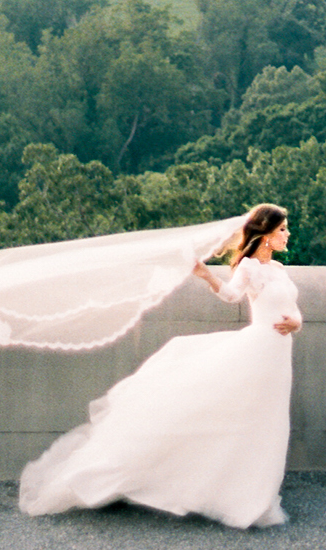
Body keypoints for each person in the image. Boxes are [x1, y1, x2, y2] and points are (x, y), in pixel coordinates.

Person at [15, 204, 300, 529]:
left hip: (277, 354)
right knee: (244, 419)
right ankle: (243, 498)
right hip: (258, 351)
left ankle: (254, 494)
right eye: (282, 229)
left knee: (268, 422)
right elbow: (234, 296)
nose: (287, 234)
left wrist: (296, 323)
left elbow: (293, 311)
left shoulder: (278, 269)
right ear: (265, 234)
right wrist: (207, 275)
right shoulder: (249, 267)